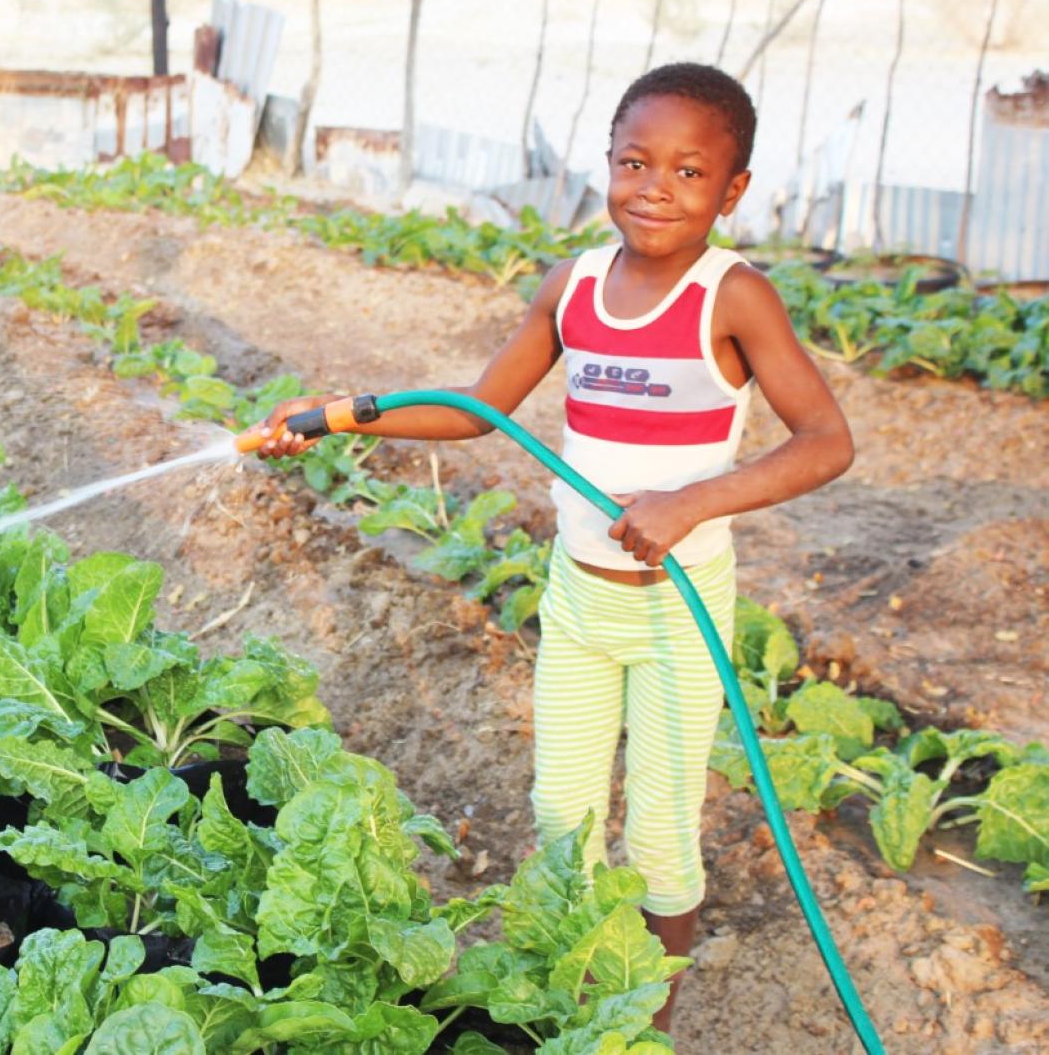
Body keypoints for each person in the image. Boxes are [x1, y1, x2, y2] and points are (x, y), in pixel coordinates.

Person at [250, 62, 854, 1037]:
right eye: (634, 161)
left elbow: (828, 440)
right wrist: (335, 417)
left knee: (658, 827)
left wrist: (693, 499)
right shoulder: (572, 286)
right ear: (606, 164)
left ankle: (640, 1019)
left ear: (733, 191)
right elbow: (480, 411)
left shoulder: (731, 298)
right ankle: (566, 990)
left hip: (676, 609)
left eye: (689, 172)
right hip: (580, 598)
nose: (655, 187)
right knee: (560, 811)